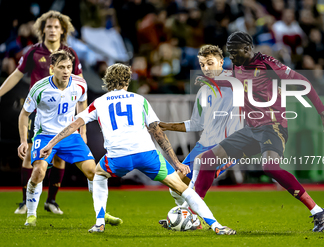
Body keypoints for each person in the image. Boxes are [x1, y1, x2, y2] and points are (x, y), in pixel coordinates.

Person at [39, 63, 236, 235]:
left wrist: (50, 144)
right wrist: (176, 162)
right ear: (126, 82)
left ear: (108, 82)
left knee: (99, 176)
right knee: (183, 189)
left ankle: (99, 223)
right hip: (146, 155)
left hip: (117, 158)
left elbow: (73, 125)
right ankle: (216, 225)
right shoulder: (139, 99)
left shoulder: (98, 103)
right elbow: (157, 132)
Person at [194, 31, 324, 232]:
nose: (231, 57)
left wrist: (321, 111)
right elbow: (237, 83)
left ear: (248, 49)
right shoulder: (237, 65)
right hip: (251, 129)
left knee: (270, 167)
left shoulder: (268, 64)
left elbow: (302, 82)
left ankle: (318, 211)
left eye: (235, 52)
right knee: (208, 160)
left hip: (273, 127)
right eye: (229, 53)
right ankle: (194, 215)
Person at [18, 50, 122, 227]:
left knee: (94, 173)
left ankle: (102, 214)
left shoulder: (80, 83)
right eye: (61, 67)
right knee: (39, 172)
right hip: (45, 135)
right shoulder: (39, 87)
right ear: (52, 68)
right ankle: (31, 214)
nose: (66, 71)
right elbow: (24, 114)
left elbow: (83, 103)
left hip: (70, 136)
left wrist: (83, 132)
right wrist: (23, 141)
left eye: (69, 67)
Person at [0, 10, 83, 215]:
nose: (52, 30)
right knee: (29, 154)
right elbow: (16, 75)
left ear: (62, 30)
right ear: (43, 29)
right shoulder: (33, 52)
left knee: (59, 158)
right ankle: (26, 201)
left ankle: (51, 201)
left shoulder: (70, 53)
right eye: (49, 26)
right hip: (38, 111)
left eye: (56, 26)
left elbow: (81, 86)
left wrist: (81, 118)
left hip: (63, 112)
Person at [158, 45, 243, 226]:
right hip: (204, 144)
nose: (206, 68)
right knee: (175, 185)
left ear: (221, 62)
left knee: (195, 184)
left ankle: (192, 218)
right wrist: (166, 126)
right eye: (202, 64)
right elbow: (196, 124)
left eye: (210, 63)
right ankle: (185, 216)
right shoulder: (203, 91)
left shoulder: (233, 79)